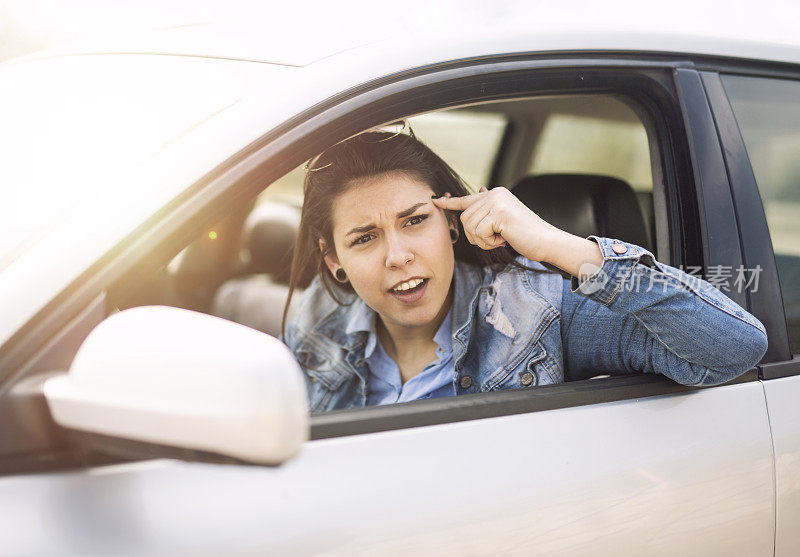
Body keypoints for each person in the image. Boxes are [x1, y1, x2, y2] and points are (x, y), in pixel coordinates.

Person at [281, 123, 768, 414]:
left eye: (415, 221)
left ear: (451, 222)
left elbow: (734, 346)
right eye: (364, 238)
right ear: (333, 260)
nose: (397, 256)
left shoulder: (533, 314)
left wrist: (555, 244)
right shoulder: (317, 318)